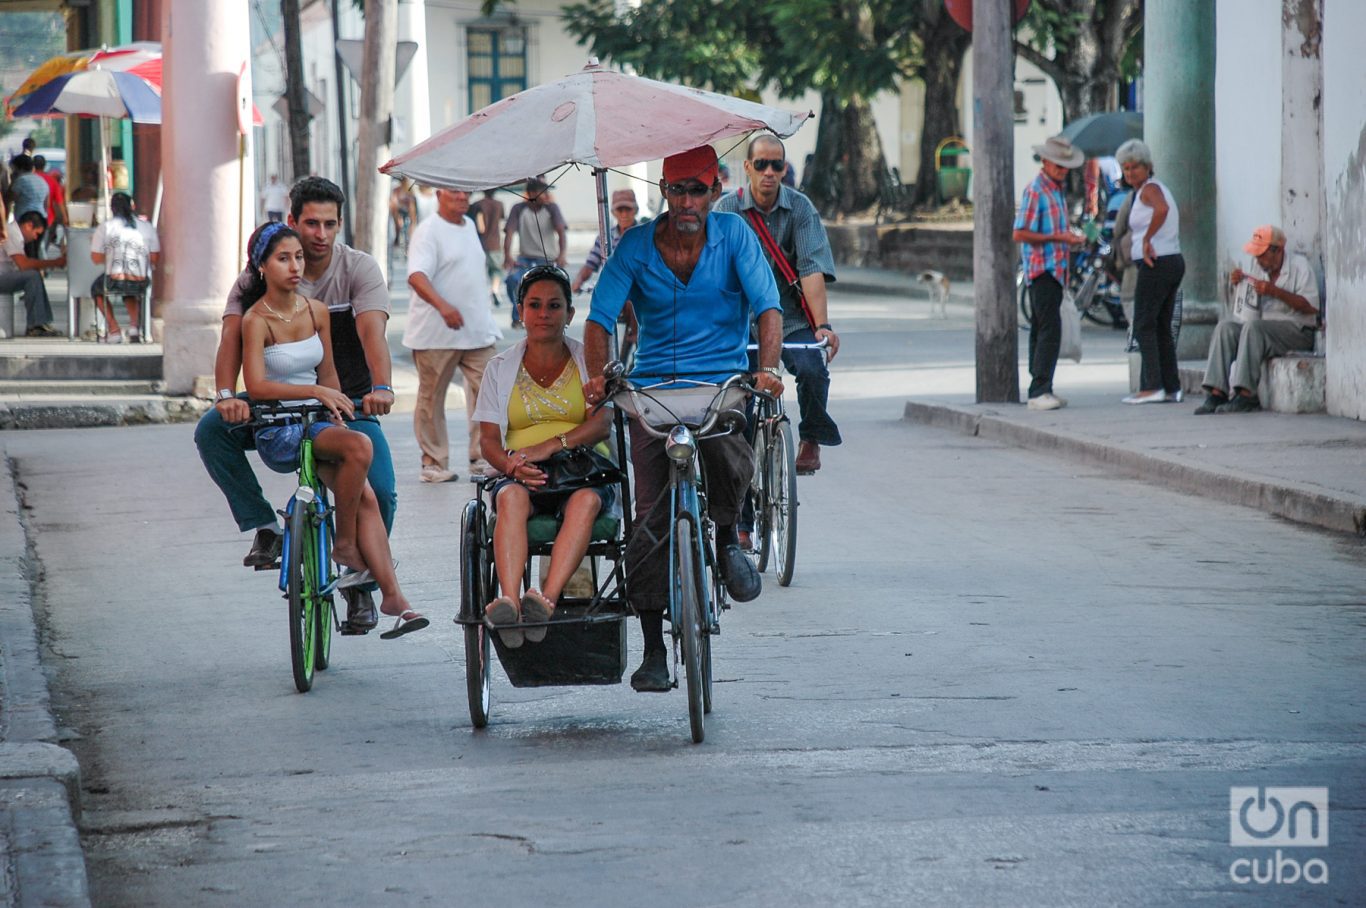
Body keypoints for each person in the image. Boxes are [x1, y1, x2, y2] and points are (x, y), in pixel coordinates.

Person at [582, 144, 784, 692]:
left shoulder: (736, 236)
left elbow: (768, 308)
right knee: (647, 516)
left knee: (729, 454)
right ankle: (652, 650)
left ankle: (725, 537)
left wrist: (765, 369)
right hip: (651, 392)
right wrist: (599, 376)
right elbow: (599, 319)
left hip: (720, 385)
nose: (688, 200)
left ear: (716, 189)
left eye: (698, 189)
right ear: (664, 193)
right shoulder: (636, 244)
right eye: (678, 190)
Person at [194, 177, 397, 633]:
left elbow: (372, 335)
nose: (320, 234)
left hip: (348, 404)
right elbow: (230, 340)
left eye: (329, 224)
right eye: (311, 224)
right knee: (210, 430)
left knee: (381, 491)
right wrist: (226, 397)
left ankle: (358, 585)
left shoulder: (358, 270)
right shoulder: (257, 275)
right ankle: (265, 526)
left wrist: (381, 387)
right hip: (277, 403)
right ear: (292, 222)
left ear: (340, 225)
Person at [239, 222, 426, 640]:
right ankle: (345, 546)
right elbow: (256, 386)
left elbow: (330, 375)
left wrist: (335, 406)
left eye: (298, 258)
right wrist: (315, 392)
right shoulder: (255, 320)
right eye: (283, 258)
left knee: (369, 497)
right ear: (262, 267)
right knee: (359, 447)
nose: (295, 266)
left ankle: (394, 599)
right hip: (280, 428)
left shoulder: (316, 311)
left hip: (319, 421)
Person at [472, 265, 614, 647]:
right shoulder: (499, 368)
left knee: (585, 502)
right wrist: (511, 465)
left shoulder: (591, 363)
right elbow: (487, 441)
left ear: (570, 314)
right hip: (521, 473)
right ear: (520, 311)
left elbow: (602, 424)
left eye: (554, 306)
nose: (543, 314)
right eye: (534, 305)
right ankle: (509, 599)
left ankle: (544, 600)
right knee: (509, 497)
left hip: (580, 471)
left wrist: (553, 445)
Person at [715, 133, 841, 476]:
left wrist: (823, 325)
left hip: (791, 318)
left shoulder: (801, 208)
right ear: (748, 168)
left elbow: (812, 269)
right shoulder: (726, 211)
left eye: (776, 165)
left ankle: (811, 438)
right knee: (737, 401)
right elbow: (712, 273)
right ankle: (739, 517)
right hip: (742, 320)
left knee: (814, 368)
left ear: (785, 169)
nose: (769, 172)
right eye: (761, 164)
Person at [402, 188, 502, 483]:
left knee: (490, 392)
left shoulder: (470, 225)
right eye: (455, 191)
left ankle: (483, 454)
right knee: (431, 399)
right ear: (438, 194)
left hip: (478, 331)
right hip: (436, 334)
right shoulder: (428, 231)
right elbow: (416, 275)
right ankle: (433, 462)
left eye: (466, 192)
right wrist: (443, 306)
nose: (462, 197)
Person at [1195, 225, 1320, 415]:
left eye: (1262, 254)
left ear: (1277, 250)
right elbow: (1247, 312)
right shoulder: (1258, 268)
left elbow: (1311, 307)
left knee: (1254, 328)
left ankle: (1246, 395)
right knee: (1225, 328)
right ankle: (1217, 391)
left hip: (1298, 330)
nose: (1258, 260)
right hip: (1263, 328)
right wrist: (1240, 284)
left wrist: (1274, 291)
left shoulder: (1300, 267)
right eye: (1256, 255)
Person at [1012, 134, 1087, 411]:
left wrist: (1065, 238)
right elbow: (1020, 232)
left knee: (1042, 328)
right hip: (1042, 269)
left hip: (1056, 269)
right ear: (1045, 162)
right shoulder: (1036, 191)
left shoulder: (1055, 190)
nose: (1061, 170)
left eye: (1064, 166)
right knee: (1048, 330)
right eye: (1057, 165)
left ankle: (1042, 387)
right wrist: (1059, 238)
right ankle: (1039, 389)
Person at [1115, 139, 1185, 405]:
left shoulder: (1150, 190)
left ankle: (1152, 386)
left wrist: (1146, 240)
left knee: (1144, 323)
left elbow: (1162, 210)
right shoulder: (1152, 189)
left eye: (1134, 167)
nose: (1130, 173)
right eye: (1125, 168)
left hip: (1158, 262)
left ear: (1147, 167)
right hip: (1171, 261)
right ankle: (1171, 386)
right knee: (1160, 326)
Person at [90, 192, 159, 344]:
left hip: (114, 279)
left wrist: (111, 256)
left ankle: (114, 329)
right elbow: (154, 258)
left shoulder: (106, 227)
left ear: (112, 208)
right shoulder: (146, 227)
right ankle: (134, 327)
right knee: (130, 292)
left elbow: (95, 258)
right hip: (140, 281)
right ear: (132, 206)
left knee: (96, 289)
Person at [503, 178, 567, 329]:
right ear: (531, 193)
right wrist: (507, 255)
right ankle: (517, 316)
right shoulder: (518, 208)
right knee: (512, 281)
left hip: (547, 259)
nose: (546, 196)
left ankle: (554, 319)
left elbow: (561, 232)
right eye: (542, 193)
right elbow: (509, 233)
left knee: (556, 288)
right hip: (525, 258)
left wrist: (562, 255)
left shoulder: (552, 208)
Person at [1, 210, 64, 337]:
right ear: (28, 225)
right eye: (36, 233)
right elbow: (23, 264)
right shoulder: (12, 233)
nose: (35, 238)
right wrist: (54, 263)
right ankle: (36, 324)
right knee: (32, 276)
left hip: (5, 274)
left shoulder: (14, 233)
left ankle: (41, 321)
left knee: (34, 275)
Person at [570, 189, 644, 294]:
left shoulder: (645, 234)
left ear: (635, 210)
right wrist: (579, 280)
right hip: (609, 292)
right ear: (613, 212)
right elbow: (590, 264)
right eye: (620, 210)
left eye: (628, 209)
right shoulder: (605, 236)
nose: (624, 214)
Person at [471, 189, 505, 308]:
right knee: (496, 270)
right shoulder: (499, 204)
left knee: (480, 271)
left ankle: (480, 295)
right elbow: (500, 224)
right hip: (495, 243)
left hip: (480, 244)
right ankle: (495, 290)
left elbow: (481, 228)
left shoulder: (478, 204)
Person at [32, 156, 67, 234]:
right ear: (44, 166)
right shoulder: (52, 181)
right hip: (48, 219)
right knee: (43, 245)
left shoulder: (27, 180)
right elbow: (59, 202)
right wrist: (65, 218)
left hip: (28, 220)